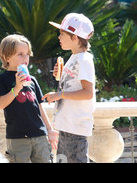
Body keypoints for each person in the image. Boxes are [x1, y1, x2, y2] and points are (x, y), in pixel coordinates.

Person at [0, 34, 58, 163]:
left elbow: (39, 107)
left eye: (27, 54)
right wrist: (17, 88)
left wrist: (50, 130)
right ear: (7, 58)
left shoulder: (33, 80)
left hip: (39, 134)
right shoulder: (2, 79)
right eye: (20, 54)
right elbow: (1, 104)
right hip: (17, 136)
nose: (25, 58)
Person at [43, 13, 95, 163]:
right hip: (67, 126)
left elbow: (87, 93)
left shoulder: (84, 60)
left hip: (75, 128)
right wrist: (60, 76)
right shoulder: (75, 58)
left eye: (62, 34)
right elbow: (75, 85)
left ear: (75, 38)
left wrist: (59, 94)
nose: (59, 37)